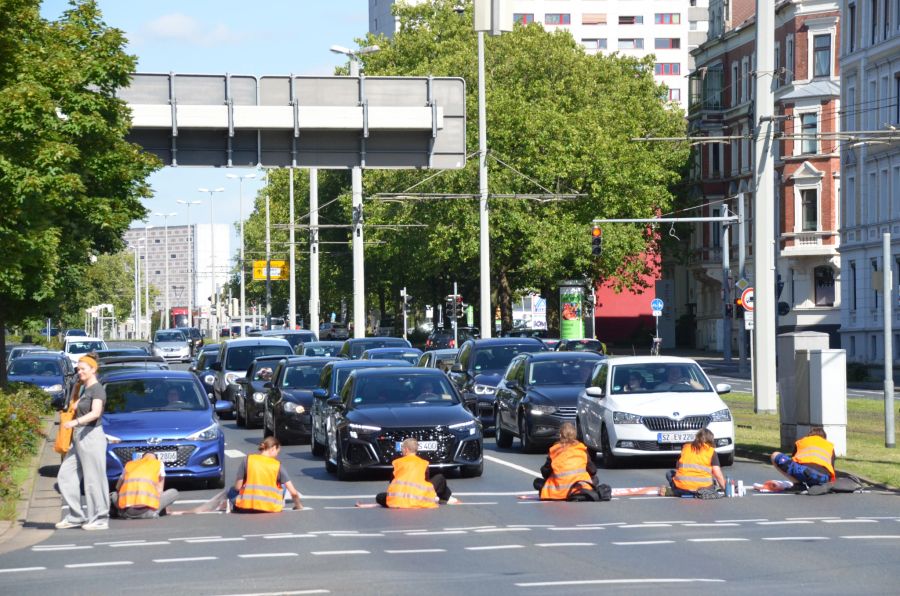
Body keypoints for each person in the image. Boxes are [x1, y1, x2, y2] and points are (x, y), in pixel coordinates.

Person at [56, 354, 111, 530]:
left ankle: (100, 518)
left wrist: (75, 422)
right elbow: (73, 406)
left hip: (91, 435)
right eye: (78, 369)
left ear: (93, 370)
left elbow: (96, 413)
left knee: (94, 479)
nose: (79, 372)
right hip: (79, 437)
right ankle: (76, 516)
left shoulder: (98, 390)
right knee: (65, 475)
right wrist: (76, 388)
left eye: (83, 369)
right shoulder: (85, 388)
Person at [376, 438, 456, 508]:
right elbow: (426, 482)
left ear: (406, 449)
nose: (401, 450)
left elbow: (392, 483)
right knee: (440, 478)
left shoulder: (397, 462)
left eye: (402, 448)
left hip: (399, 499)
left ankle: (438, 497)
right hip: (419, 497)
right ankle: (444, 497)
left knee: (380, 497)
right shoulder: (423, 463)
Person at [230, 436, 303, 512]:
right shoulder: (277, 465)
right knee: (283, 485)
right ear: (273, 448)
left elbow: (238, 487)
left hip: (247, 507)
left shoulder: (248, 460)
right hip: (270, 507)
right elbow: (293, 492)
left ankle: (236, 505)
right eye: (277, 452)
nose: (277, 455)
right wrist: (298, 505)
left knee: (231, 491)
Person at [534, 422, 599, 500]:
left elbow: (545, 472)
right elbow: (593, 470)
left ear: (560, 435)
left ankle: (560, 492)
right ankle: (578, 491)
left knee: (537, 482)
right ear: (575, 435)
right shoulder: (581, 449)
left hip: (558, 491)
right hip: (579, 488)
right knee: (595, 479)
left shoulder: (555, 450)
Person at [109, 452, 179, 519]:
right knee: (174, 492)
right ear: (156, 458)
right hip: (148, 512)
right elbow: (160, 491)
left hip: (126, 512)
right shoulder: (159, 464)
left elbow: (118, 487)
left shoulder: (129, 464)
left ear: (142, 458)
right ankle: (156, 511)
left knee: (113, 494)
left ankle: (118, 512)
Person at [770, 426, 836, 490]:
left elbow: (793, 461)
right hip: (823, 477)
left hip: (805, 472)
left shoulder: (801, 442)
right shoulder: (830, 446)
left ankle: (798, 484)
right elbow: (831, 469)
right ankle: (817, 484)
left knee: (775, 455)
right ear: (824, 438)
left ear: (809, 435)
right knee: (815, 476)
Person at [666, 429, 727, 497]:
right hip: (704, 489)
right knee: (712, 480)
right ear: (710, 440)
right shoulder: (711, 451)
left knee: (669, 473)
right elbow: (717, 473)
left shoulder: (686, 448)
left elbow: (677, 466)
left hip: (682, 489)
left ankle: (675, 491)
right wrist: (724, 489)